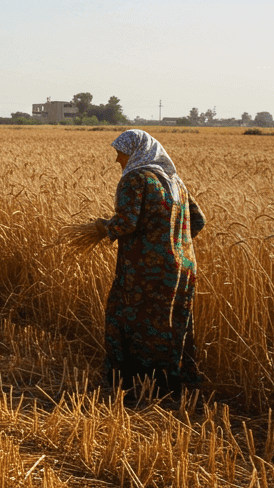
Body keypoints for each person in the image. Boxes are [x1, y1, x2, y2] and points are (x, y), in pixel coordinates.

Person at [94, 130, 206, 396]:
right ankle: (176, 381)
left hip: (144, 269)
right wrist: (174, 244)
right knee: (173, 321)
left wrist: (102, 228)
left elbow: (126, 223)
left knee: (129, 318)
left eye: (120, 152)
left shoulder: (135, 178)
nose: (117, 160)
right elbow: (198, 220)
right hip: (182, 268)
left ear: (134, 151)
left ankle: (133, 383)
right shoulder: (175, 180)